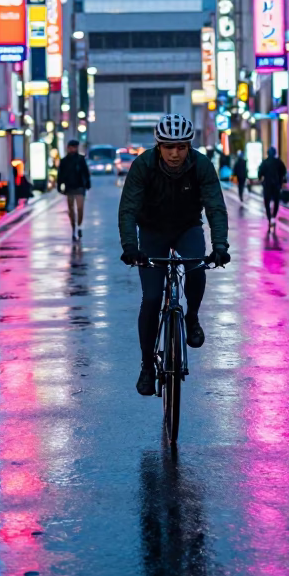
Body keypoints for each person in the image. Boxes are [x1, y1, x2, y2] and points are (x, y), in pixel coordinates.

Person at [118, 114, 230, 396]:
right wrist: (131, 247)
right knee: (153, 297)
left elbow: (215, 207)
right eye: (169, 147)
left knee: (196, 268)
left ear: (188, 147)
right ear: (159, 147)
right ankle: (147, 366)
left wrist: (220, 247)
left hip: (187, 227)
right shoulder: (143, 165)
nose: (175, 153)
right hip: (153, 232)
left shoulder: (201, 165)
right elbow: (128, 209)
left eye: (181, 147)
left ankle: (192, 317)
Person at [57, 139, 91, 239]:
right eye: (72, 147)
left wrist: (87, 183)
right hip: (69, 187)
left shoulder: (81, 159)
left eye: (75, 147)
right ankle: (74, 228)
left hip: (80, 186)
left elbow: (85, 172)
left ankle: (79, 226)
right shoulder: (64, 161)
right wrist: (60, 186)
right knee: (71, 209)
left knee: (80, 208)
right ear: (68, 148)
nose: (73, 149)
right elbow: (60, 175)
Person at [258, 146, 287, 231]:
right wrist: (281, 180)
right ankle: (274, 216)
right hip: (276, 185)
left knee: (267, 202)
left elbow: (260, 173)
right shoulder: (278, 162)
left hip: (267, 186)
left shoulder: (265, 162)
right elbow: (284, 171)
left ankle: (269, 218)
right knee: (276, 201)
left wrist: (260, 178)